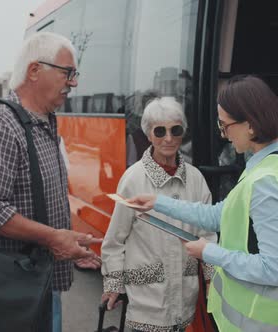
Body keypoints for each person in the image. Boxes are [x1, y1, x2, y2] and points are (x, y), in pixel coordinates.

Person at [128, 75, 278, 332]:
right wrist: (158, 203)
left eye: (225, 126)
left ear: (251, 125)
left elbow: (274, 269)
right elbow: (220, 214)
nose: (224, 135)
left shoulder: (265, 183)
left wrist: (208, 252)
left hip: (256, 321)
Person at [0, 32, 102, 332]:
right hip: (9, 292)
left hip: (38, 282)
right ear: (34, 70)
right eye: (68, 73)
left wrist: (69, 243)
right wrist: (53, 238)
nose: (74, 83)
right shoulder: (1, 121)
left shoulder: (43, 122)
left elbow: (40, 201)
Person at [101, 97, 217, 332]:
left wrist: (211, 279)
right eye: (160, 131)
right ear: (149, 135)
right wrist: (113, 284)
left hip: (185, 302)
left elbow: (207, 235)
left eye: (175, 130)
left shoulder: (196, 179)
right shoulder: (133, 179)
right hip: (146, 305)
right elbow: (115, 240)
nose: (168, 138)